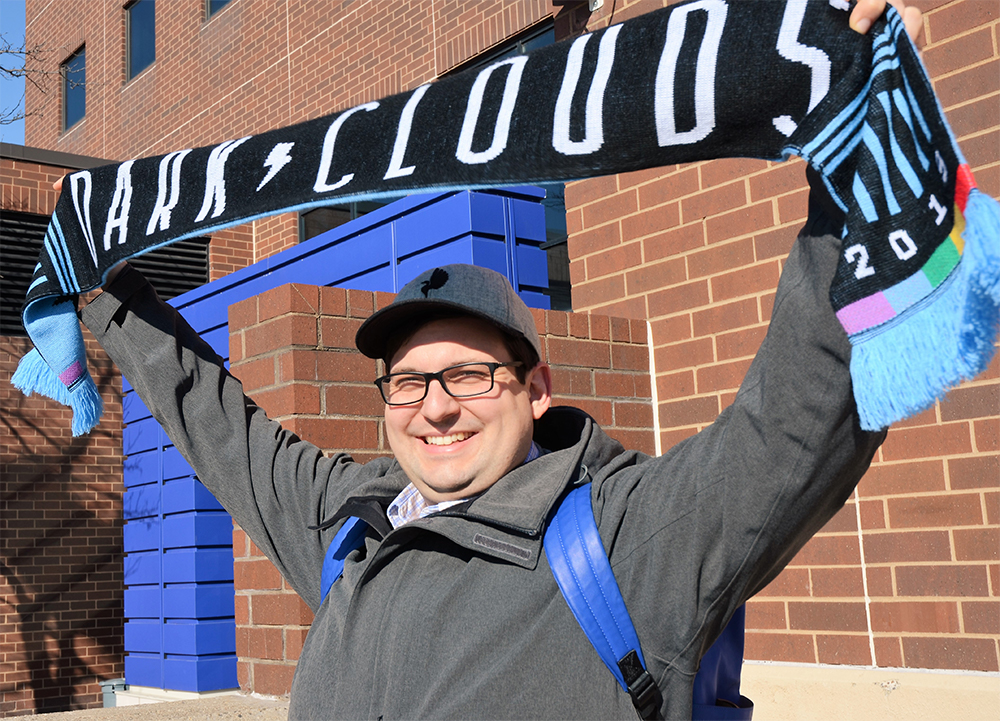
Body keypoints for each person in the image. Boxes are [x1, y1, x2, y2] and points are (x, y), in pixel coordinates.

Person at [73, 2, 923, 718]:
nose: (436, 406)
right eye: (408, 379)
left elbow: (796, 424)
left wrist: (865, 153)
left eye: (470, 374)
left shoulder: (632, 538)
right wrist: (99, 278)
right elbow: (216, 419)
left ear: (537, 389)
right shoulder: (347, 524)